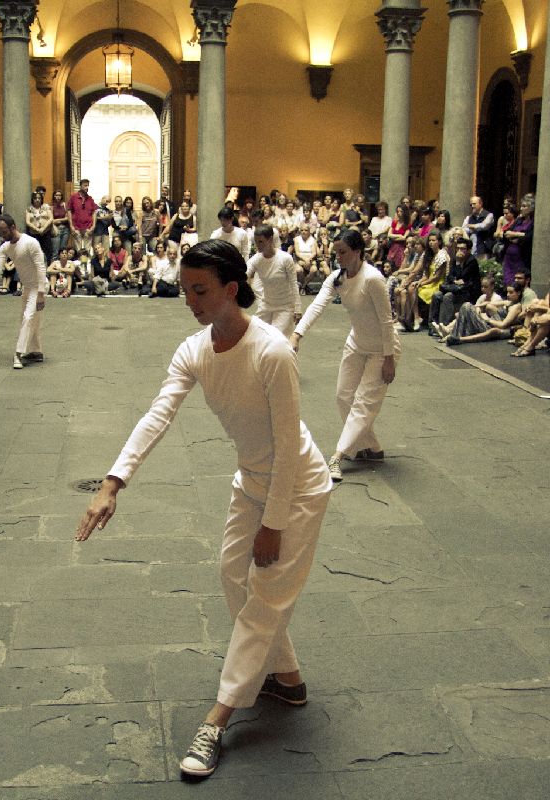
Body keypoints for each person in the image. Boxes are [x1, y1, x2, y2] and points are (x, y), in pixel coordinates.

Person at [76, 238, 331, 779]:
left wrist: (275, 524)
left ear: (231, 290)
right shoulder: (193, 350)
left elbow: (289, 446)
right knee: (231, 579)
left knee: (265, 598)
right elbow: (158, 413)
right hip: (252, 480)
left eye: (200, 290)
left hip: (299, 489)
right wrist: (113, 481)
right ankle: (287, 679)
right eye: (184, 289)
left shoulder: (272, 351)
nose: (188, 300)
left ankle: (218, 717)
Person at [290, 228, 399, 482]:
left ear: (358, 252)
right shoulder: (337, 278)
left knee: (363, 403)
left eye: (343, 252)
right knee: (343, 396)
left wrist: (389, 358)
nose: (338, 257)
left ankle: (338, 456)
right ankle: (371, 447)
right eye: (335, 252)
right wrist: (297, 335)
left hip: (382, 349)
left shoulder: (373, 278)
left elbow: (386, 322)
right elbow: (317, 305)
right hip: (356, 343)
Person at [0, 213, 47, 369]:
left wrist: (41, 293)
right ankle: (36, 351)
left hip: (38, 286)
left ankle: (18, 354)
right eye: (0, 233)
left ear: (13, 227)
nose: (3, 236)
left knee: (28, 317)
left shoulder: (31, 243)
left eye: (5, 232)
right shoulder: (5, 247)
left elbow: (40, 267)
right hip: (27, 287)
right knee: (31, 320)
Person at [245, 225, 301, 338]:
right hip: (266, 305)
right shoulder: (257, 259)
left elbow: (294, 284)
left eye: (261, 241)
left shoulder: (285, 258)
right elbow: (244, 273)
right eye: (256, 242)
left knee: (277, 339)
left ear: (270, 239)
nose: (258, 245)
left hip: (285, 306)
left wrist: (298, 308)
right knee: (255, 335)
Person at [69, 179, 97, 255]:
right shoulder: (73, 197)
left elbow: (94, 212)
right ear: (80, 186)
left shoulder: (90, 199)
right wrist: (71, 226)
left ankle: (86, 266)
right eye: (85, 185)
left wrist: (93, 225)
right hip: (76, 227)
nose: (87, 187)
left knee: (87, 251)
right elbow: (69, 211)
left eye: (88, 185)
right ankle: (79, 266)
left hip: (88, 227)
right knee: (77, 251)